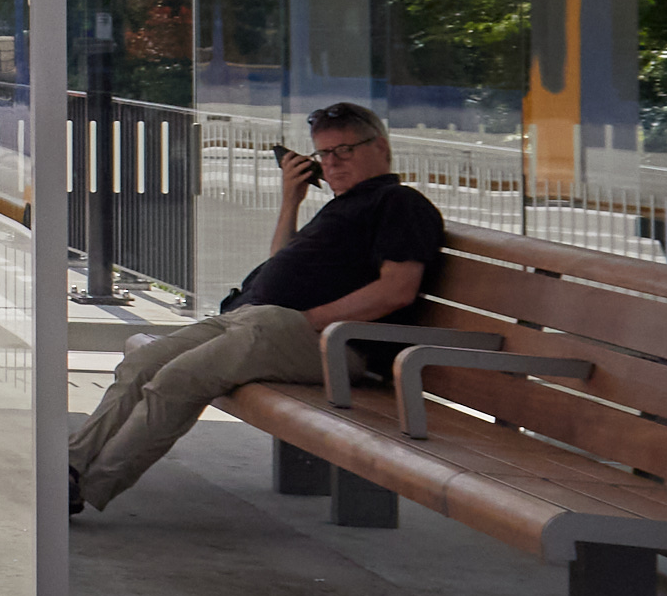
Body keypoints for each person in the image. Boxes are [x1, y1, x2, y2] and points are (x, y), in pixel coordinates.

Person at [67, 100, 450, 516]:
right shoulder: (342, 206)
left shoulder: (398, 203)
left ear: (381, 148)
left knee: (177, 380)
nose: (333, 163)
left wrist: (309, 320)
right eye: (324, 153)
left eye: (345, 150)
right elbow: (280, 262)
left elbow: (397, 290)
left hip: (334, 343)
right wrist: (291, 200)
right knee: (142, 363)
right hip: (257, 318)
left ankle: (87, 487)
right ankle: (69, 466)